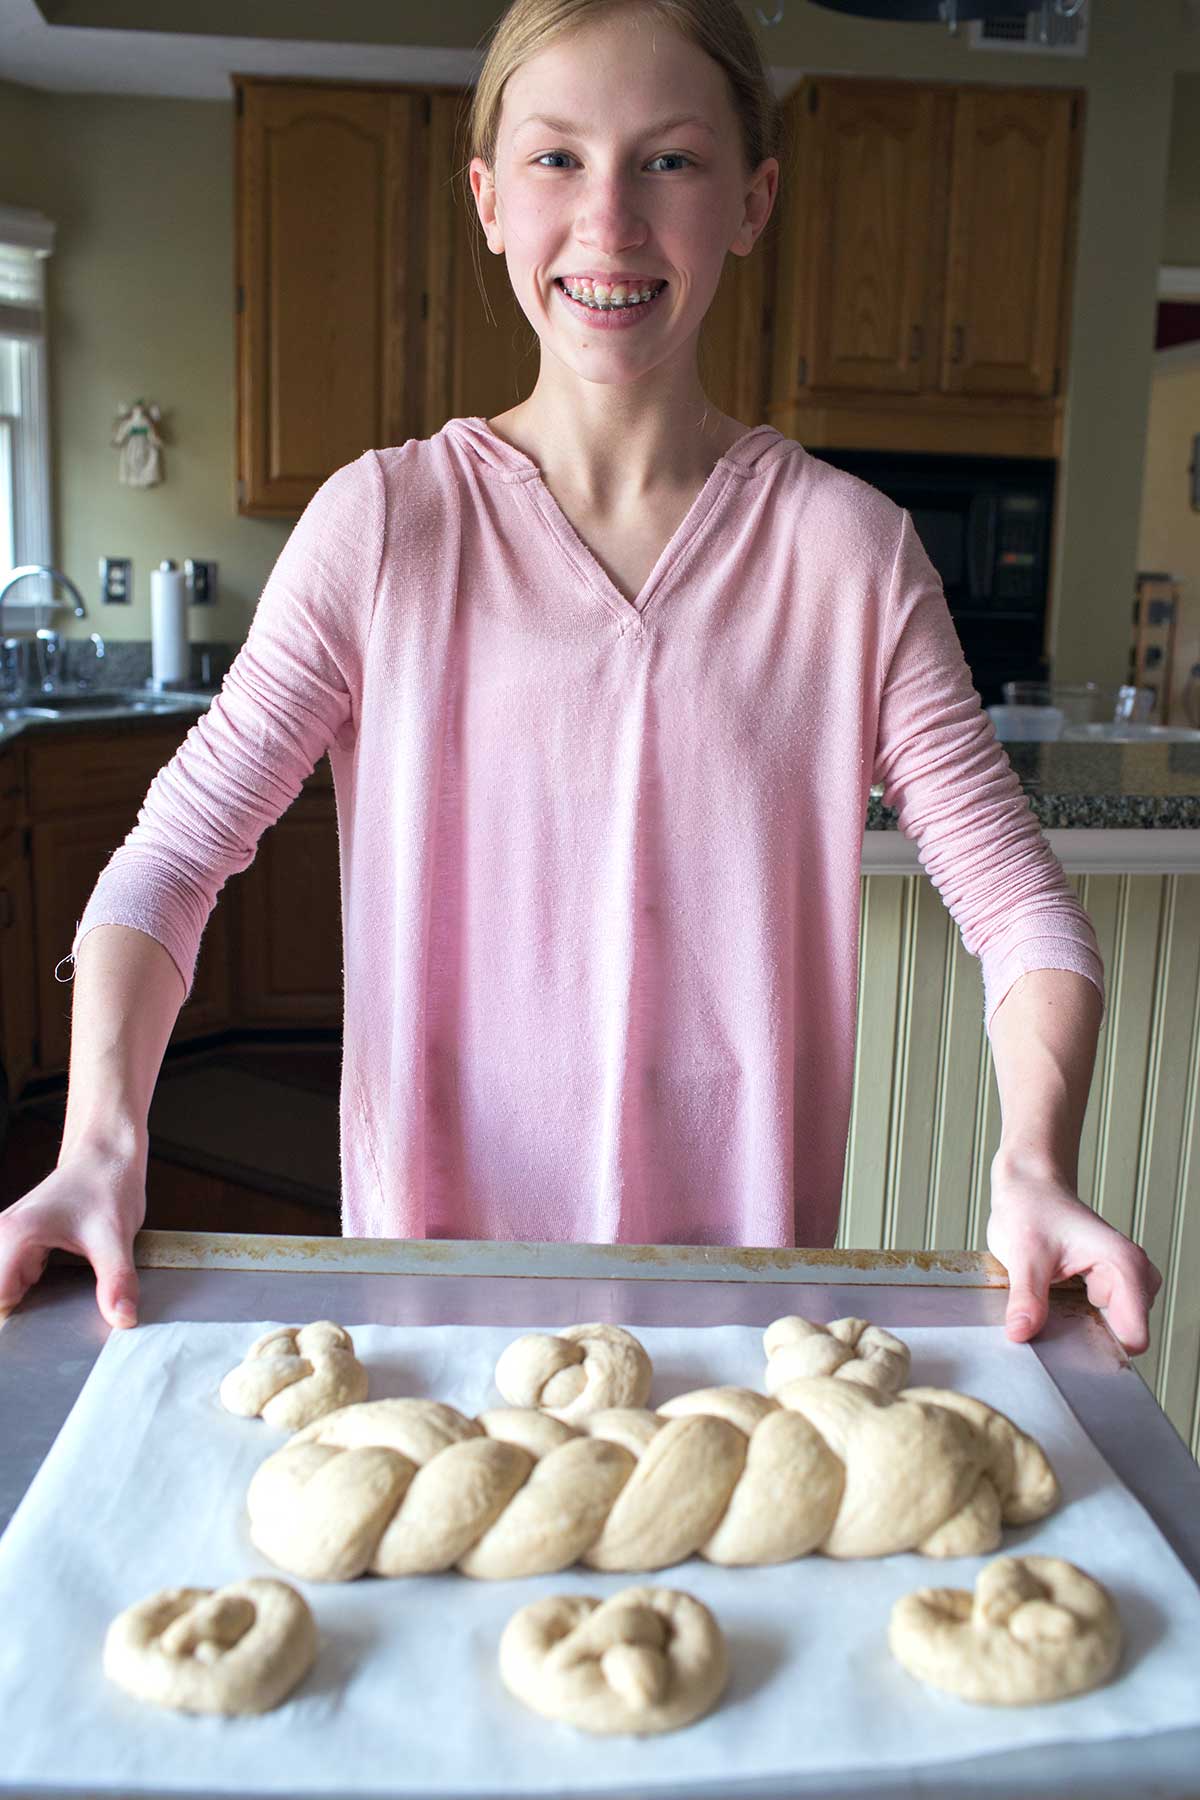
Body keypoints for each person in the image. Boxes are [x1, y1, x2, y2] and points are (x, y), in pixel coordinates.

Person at [0, 0, 1161, 1352]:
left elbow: (1022, 911)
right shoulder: (386, 528)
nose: (610, 219)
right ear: (489, 200)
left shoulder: (849, 556)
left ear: (752, 199)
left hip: (738, 1331)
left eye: (669, 160)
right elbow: (168, 864)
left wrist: (1033, 1164)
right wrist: (98, 1140)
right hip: (434, 1314)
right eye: (557, 159)